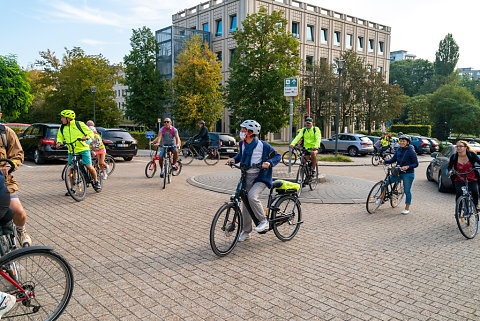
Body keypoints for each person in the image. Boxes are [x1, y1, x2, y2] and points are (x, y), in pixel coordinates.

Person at [226, 120, 281, 242]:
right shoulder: (242, 143)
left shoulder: (263, 145)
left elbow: (278, 156)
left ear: (251, 132)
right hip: (246, 177)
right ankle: (246, 231)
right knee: (245, 204)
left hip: (260, 177)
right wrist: (233, 160)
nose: (241, 132)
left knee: (252, 196)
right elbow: (240, 156)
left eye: (243, 130)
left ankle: (263, 221)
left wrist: (269, 163)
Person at [0, 112, 31, 247]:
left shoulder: (6, 133)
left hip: (4, 182)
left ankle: (21, 230)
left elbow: (18, 155)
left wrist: (9, 166)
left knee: (18, 211)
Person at [55, 110, 100, 192]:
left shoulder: (79, 124)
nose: (61, 119)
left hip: (83, 149)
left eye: (62, 117)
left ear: (68, 118)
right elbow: (60, 136)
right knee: (72, 170)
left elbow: (90, 133)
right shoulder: (62, 127)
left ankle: (96, 181)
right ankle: (72, 188)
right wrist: (58, 142)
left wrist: (87, 137)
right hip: (71, 150)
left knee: (88, 166)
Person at [380, 135, 418, 214]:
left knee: (407, 191)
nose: (402, 142)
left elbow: (416, 164)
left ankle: (407, 208)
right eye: (401, 141)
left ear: (407, 142)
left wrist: (408, 166)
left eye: (404, 141)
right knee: (384, 183)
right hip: (398, 172)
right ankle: (381, 199)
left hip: (408, 173)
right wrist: (384, 160)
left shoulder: (411, 151)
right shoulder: (398, 150)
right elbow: (392, 159)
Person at [448, 141, 480, 209]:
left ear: (465, 147)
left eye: (460, 146)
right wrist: (450, 170)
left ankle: (476, 205)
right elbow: (449, 166)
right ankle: (458, 211)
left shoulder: (471, 155)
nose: (458, 148)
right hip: (459, 177)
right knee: (459, 193)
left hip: (472, 177)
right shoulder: (454, 157)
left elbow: (479, 161)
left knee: (475, 191)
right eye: (457, 146)